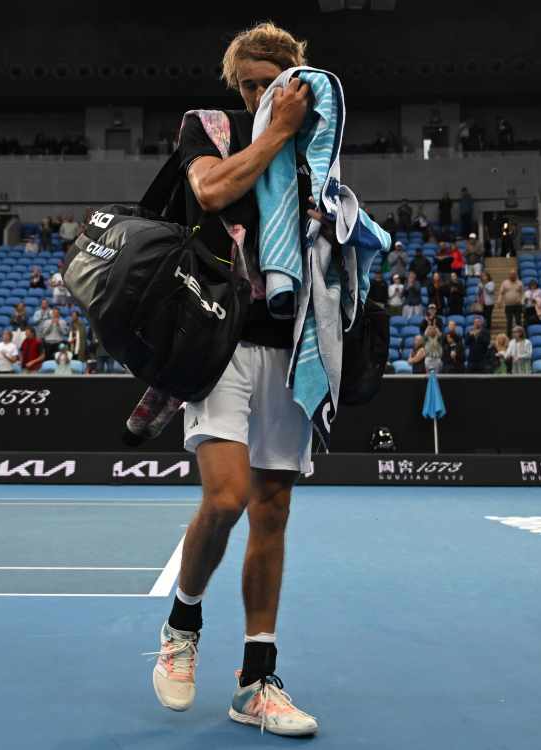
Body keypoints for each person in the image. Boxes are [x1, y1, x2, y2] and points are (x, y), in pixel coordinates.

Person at [151, 23, 329, 738]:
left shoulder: (317, 145)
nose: (259, 94)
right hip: (216, 340)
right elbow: (213, 191)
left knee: (273, 510)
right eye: (250, 84)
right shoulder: (210, 128)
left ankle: (257, 680)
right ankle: (182, 625)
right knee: (225, 497)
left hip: (289, 346)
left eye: (272, 83)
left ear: (295, 82)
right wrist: (275, 133)